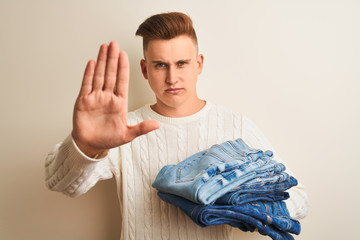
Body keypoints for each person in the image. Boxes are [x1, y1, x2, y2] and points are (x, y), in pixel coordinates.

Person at [45, 12, 309, 240]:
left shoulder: (235, 125)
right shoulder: (124, 129)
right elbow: (62, 184)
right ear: (145, 69)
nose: (172, 77)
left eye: (181, 63)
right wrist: (87, 146)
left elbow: (298, 197)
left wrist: (234, 198)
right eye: (160, 65)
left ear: (199, 64)